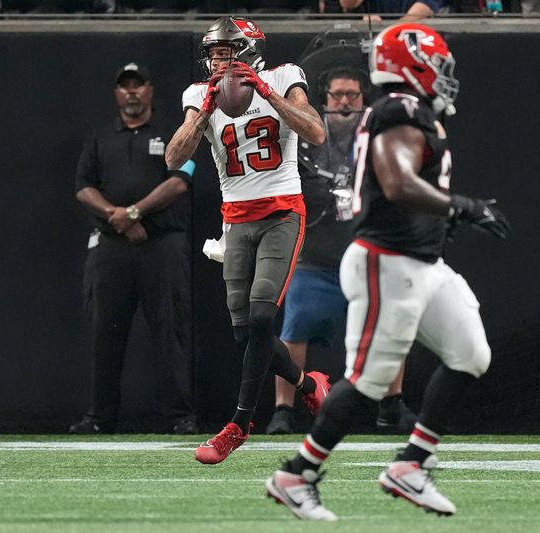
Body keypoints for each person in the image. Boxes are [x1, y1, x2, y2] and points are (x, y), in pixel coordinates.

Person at [265, 23, 511, 521]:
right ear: (411, 64)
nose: (444, 75)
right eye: (437, 65)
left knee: (470, 353)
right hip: (387, 260)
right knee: (368, 381)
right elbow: (397, 183)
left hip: (420, 261)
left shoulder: (411, 112)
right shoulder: (399, 110)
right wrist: (462, 208)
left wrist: (439, 221)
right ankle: (297, 473)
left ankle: (412, 464)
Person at [165, 16, 329, 465]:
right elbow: (173, 158)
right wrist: (205, 110)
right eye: (213, 53)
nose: (216, 61)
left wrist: (266, 92)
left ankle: (238, 425)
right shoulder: (199, 94)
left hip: (281, 213)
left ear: (248, 49)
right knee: (244, 333)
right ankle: (307, 386)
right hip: (236, 219)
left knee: (260, 318)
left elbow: (316, 131)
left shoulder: (284, 76)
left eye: (224, 51)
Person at [267, 66, 416, 435]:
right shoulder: (308, 137)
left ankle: (391, 405)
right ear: (325, 99)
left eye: (352, 95)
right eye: (337, 95)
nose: (345, 102)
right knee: (294, 329)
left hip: (366, 252)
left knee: (390, 325)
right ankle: (284, 410)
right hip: (316, 256)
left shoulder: (378, 134)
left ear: (364, 99)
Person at [71, 63, 198, 436]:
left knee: (170, 330)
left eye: (137, 85)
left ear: (150, 90)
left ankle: (180, 416)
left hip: (162, 245)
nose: (131, 92)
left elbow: (180, 181)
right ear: (116, 94)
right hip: (111, 246)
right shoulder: (100, 137)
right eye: (124, 86)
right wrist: (116, 216)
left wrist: (135, 212)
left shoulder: (175, 135)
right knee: (104, 333)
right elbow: (82, 187)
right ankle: (99, 417)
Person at [338, 0, 440, 19]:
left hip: (411, 41)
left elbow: (418, 14)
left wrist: (383, 29)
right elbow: (347, 4)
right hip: (370, 40)